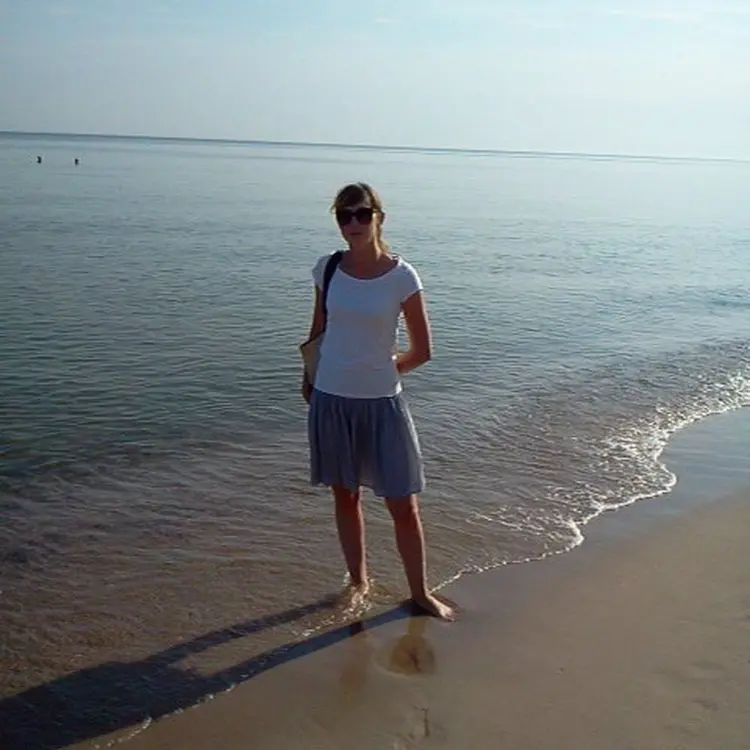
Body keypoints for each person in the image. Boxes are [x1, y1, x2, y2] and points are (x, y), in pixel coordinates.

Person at [302, 182, 454, 620]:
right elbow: (317, 331)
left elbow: (423, 350)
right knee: (345, 497)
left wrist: (385, 370)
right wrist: (308, 379)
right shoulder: (327, 268)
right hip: (331, 398)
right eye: (344, 215)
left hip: (382, 402)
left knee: (403, 504)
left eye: (362, 214)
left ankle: (420, 593)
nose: (353, 223)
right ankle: (358, 582)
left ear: (378, 218)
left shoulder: (402, 276)